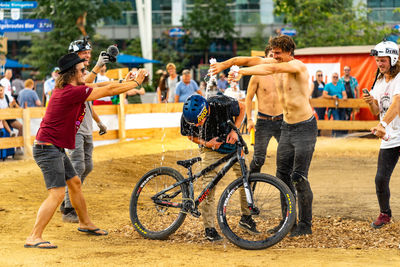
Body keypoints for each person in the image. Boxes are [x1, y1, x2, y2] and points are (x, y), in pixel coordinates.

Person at [25, 52, 147, 249]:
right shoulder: (71, 92)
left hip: (52, 147)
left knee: (74, 182)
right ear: (73, 72)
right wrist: (135, 84)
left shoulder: (72, 88)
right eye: (82, 70)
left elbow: (100, 85)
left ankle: (84, 223)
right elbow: (106, 92)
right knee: (56, 194)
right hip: (47, 149)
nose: (86, 72)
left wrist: (123, 81)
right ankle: (34, 236)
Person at [211, 35, 317, 236]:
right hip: (286, 127)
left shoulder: (297, 66)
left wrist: (241, 72)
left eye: (278, 53)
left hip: (305, 127)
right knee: (282, 176)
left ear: (288, 52)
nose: (274, 56)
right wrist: (227, 64)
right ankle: (288, 221)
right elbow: (251, 60)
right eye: (273, 53)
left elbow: (272, 68)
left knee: (299, 177)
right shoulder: (275, 61)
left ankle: (305, 224)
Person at [180, 94, 258, 241]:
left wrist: (235, 130)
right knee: (208, 187)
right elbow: (189, 135)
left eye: (199, 121)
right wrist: (206, 143)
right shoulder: (188, 116)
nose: (197, 125)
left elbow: (243, 107)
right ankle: (209, 228)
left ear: (206, 111)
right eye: (194, 123)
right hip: (210, 149)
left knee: (246, 180)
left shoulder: (222, 104)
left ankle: (246, 219)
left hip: (233, 146)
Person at [60, 38, 109, 223]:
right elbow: (83, 87)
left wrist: (99, 123)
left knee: (87, 166)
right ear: (75, 55)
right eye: (84, 53)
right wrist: (97, 67)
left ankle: (69, 197)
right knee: (77, 166)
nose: (88, 55)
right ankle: (69, 208)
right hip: (75, 128)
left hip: (86, 127)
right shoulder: (70, 75)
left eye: (89, 52)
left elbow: (88, 102)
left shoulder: (86, 73)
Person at [365, 40, 400, 229]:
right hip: (391, 137)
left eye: (383, 60)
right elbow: (376, 109)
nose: (379, 64)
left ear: (393, 59)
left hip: (391, 131)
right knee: (381, 178)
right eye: (378, 61)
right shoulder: (379, 80)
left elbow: (397, 104)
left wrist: (382, 124)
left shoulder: (399, 78)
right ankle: (385, 214)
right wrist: (371, 101)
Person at [246, 45, 283, 174]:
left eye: (276, 56)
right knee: (258, 159)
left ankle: (287, 192)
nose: (274, 58)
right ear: (265, 58)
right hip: (263, 120)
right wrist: (249, 119)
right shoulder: (257, 76)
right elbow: (248, 98)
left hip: (281, 120)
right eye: (271, 56)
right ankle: (249, 190)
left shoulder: (283, 75)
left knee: (286, 158)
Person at [323, 73, 347, 137]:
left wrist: (344, 97)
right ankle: (335, 135)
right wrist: (332, 97)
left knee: (342, 120)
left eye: (336, 77)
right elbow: (324, 95)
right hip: (333, 106)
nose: (335, 78)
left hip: (341, 105)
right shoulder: (328, 85)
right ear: (332, 77)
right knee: (336, 119)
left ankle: (339, 135)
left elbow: (344, 94)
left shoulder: (341, 85)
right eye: (334, 77)